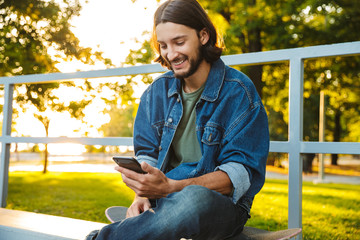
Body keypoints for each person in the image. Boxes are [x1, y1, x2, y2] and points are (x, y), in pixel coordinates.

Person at [86, 0, 269, 239]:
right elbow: (147, 157)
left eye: (179, 42)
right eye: (163, 46)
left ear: (203, 36)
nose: (171, 54)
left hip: (219, 206)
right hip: (162, 197)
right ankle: (154, 223)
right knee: (176, 204)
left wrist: (172, 187)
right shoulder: (155, 94)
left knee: (193, 200)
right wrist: (141, 195)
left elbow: (239, 175)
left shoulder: (239, 92)